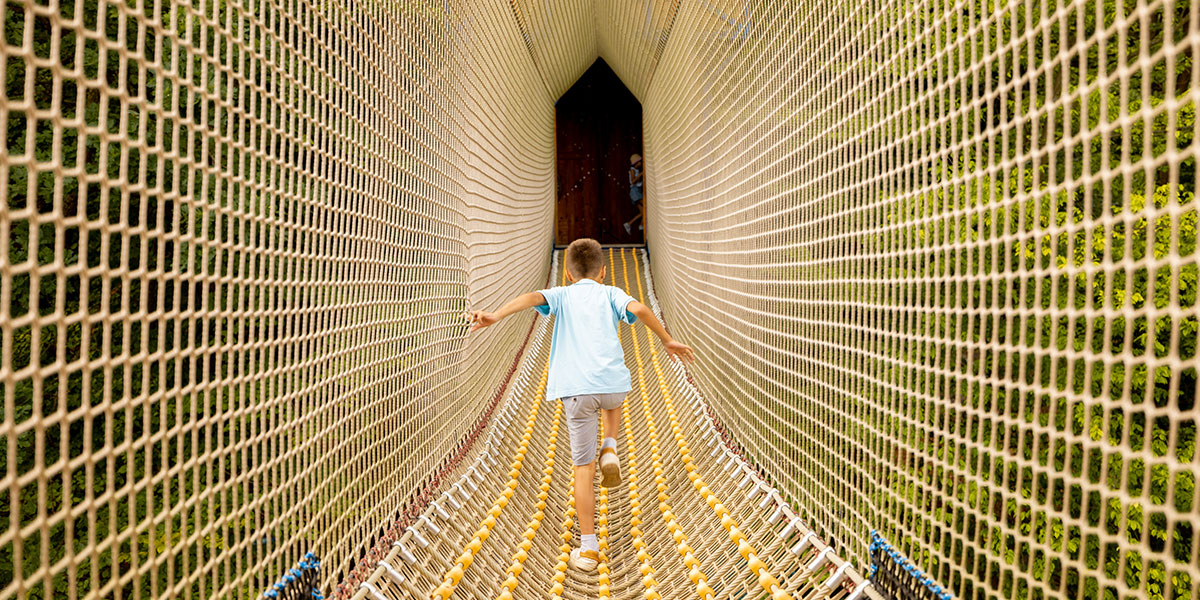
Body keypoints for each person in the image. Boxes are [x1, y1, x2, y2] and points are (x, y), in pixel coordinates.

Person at [465, 238, 694, 572]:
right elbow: (641, 310)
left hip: (577, 391)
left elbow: (532, 298)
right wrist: (666, 339)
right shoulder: (611, 292)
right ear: (603, 272)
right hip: (613, 386)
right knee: (613, 392)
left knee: (582, 468)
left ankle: (588, 548)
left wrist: (496, 315)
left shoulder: (562, 294)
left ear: (569, 275)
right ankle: (611, 444)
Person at [623, 154, 645, 236]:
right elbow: (633, 181)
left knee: (643, 212)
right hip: (635, 192)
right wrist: (641, 175)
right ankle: (641, 225)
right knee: (646, 207)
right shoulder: (632, 170)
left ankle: (629, 224)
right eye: (640, 162)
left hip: (637, 191)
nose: (641, 164)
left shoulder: (637, 170)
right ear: (636, 163)